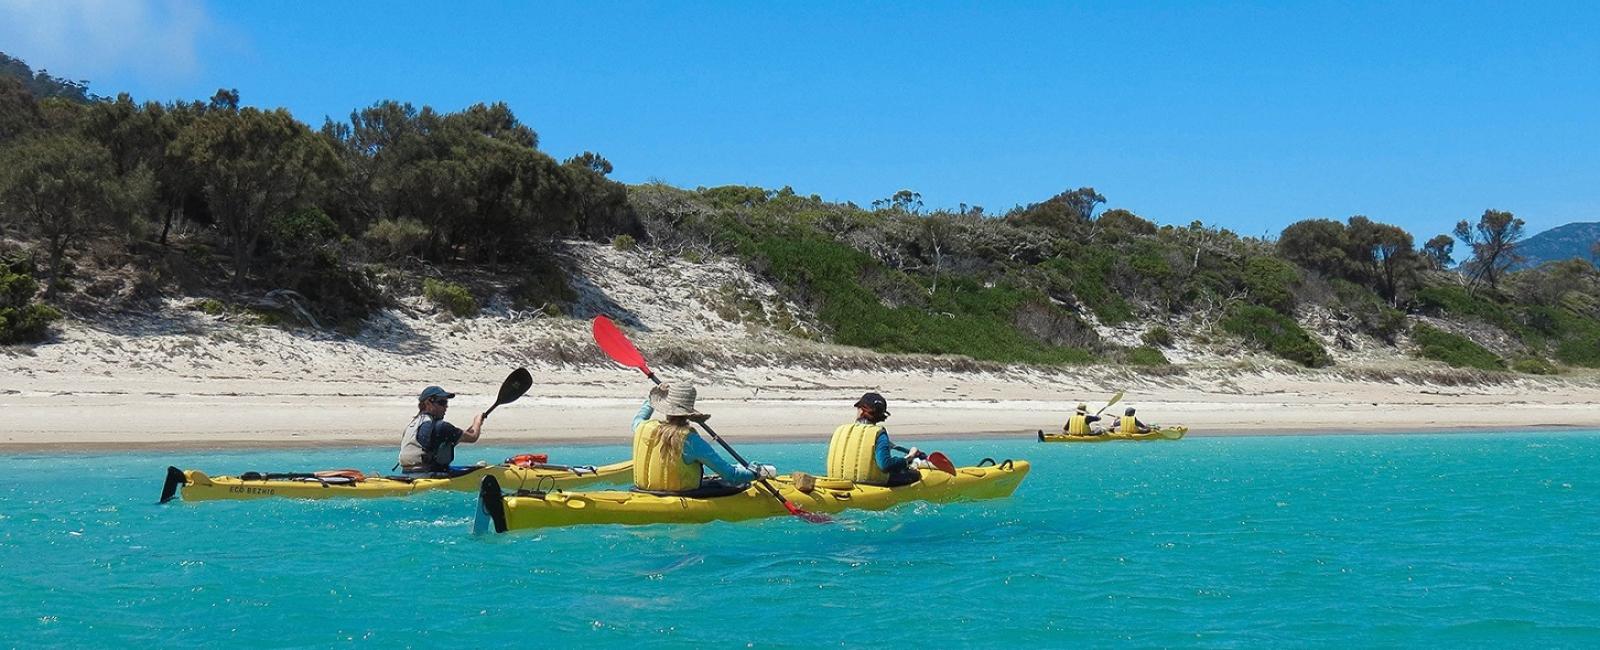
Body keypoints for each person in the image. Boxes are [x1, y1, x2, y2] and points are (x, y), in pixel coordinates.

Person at [631, 382, 775, 495]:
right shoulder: (690, 440)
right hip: (681, 493)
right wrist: (755, 472)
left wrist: (652, 398)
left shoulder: (642, 427)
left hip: (644, 490)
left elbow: (639, 417)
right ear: (689, 413)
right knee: (736, 483)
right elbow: (731, 475)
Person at [826, 392, 934, 487]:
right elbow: (886, 465)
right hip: (871, 483)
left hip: (839, 481)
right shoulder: (879, 434)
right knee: (914, 474)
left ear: (861, 411)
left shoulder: (842, 429)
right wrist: (909, 458)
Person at [398, 385, 484, 473]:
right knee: (481, 467)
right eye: (442, 402)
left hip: (407, 473)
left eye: (446, 403)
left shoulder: (411, 426)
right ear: (428, 404)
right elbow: (473, 436)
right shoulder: (442, 427)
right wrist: (477, 421)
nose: (446, 407)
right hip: (430, 474)